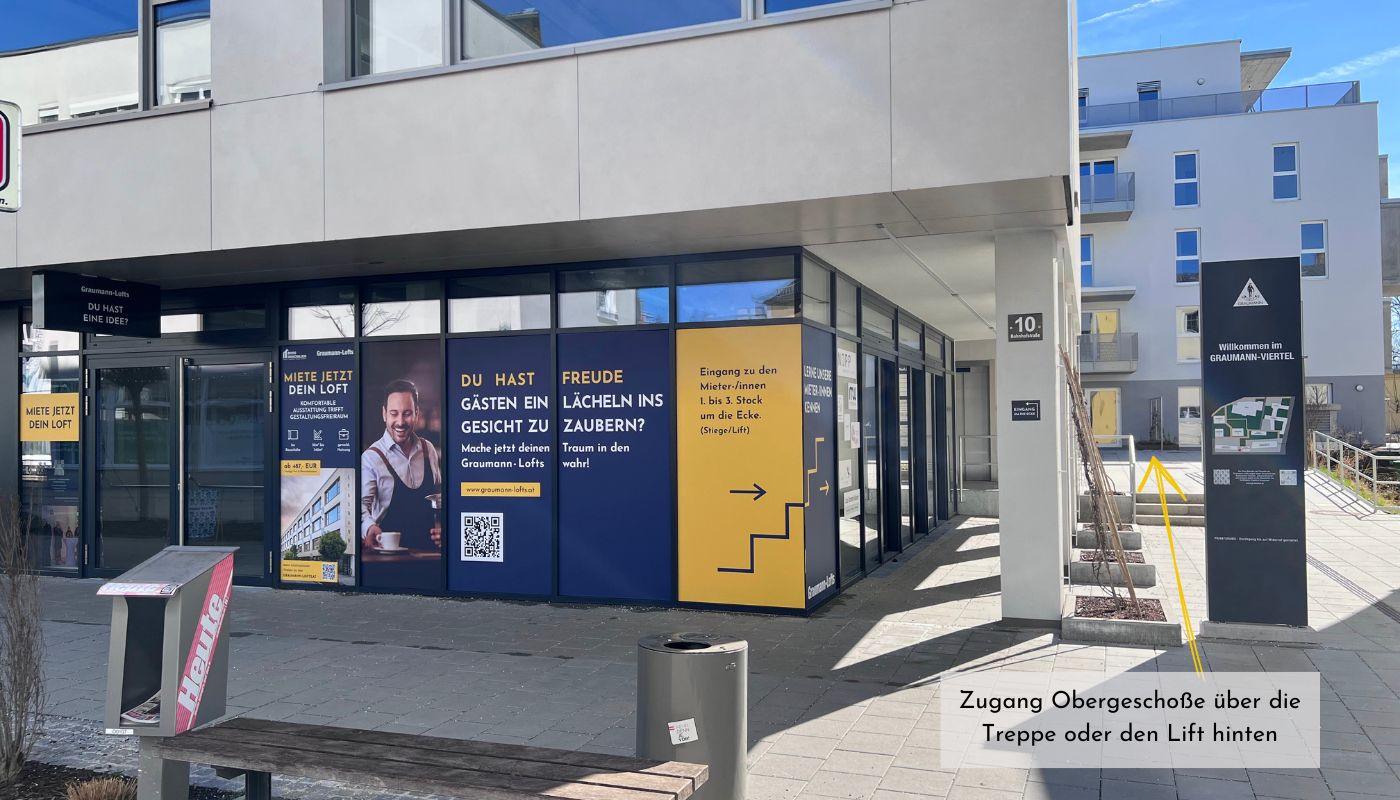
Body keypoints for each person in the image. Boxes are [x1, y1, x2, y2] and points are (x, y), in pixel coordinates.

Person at [361, 379, 442, 553]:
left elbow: (439, 499)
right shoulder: (371, 458)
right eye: (394, 413)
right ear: (384, 414)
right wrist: (369, 527)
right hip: (388, 561)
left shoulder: (429, 451)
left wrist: (443, 526)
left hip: (430, 557)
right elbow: (360, 507)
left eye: (406, 413)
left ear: (417, 413)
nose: (400, 421)